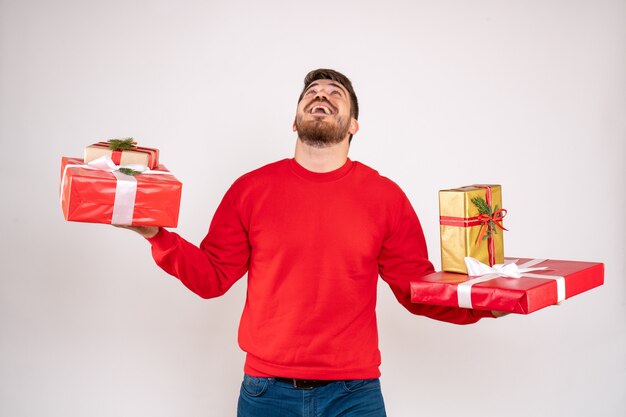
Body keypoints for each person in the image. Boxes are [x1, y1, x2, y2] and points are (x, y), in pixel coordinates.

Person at [121, 69, 502, 417]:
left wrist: (486, 306)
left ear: (353, 124)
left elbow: (414, 288)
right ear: (295, 120)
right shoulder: (250, 190)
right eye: (312, 92)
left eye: (335, 93)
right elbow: (212, 277)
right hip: (266, 392)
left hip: (355, 395)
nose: (321, 95)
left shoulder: (385, 197)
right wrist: (156, 235)